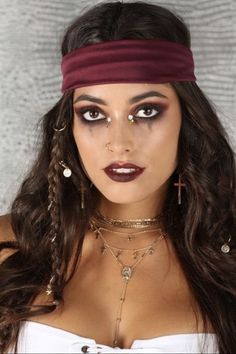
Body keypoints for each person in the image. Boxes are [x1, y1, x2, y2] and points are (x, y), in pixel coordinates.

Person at [0, 1, 235, 353]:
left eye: (146, 111)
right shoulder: (11, 246)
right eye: (94, 114)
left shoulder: (226, 257)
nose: (119, 144)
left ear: (187, 121)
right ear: (69, 128)